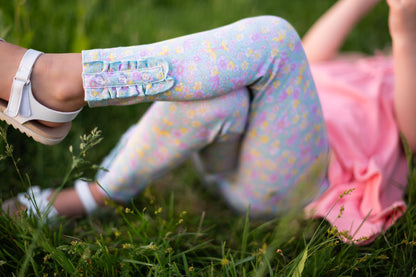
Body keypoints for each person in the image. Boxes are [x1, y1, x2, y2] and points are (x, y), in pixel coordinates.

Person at [1, 0, 415, 243]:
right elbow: (313, 61)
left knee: (275, 38)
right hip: (239, 140)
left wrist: (405, 32)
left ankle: (52, 83)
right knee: (221, 97)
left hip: (297, 177)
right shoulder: (368, 63)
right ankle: (94, 193)